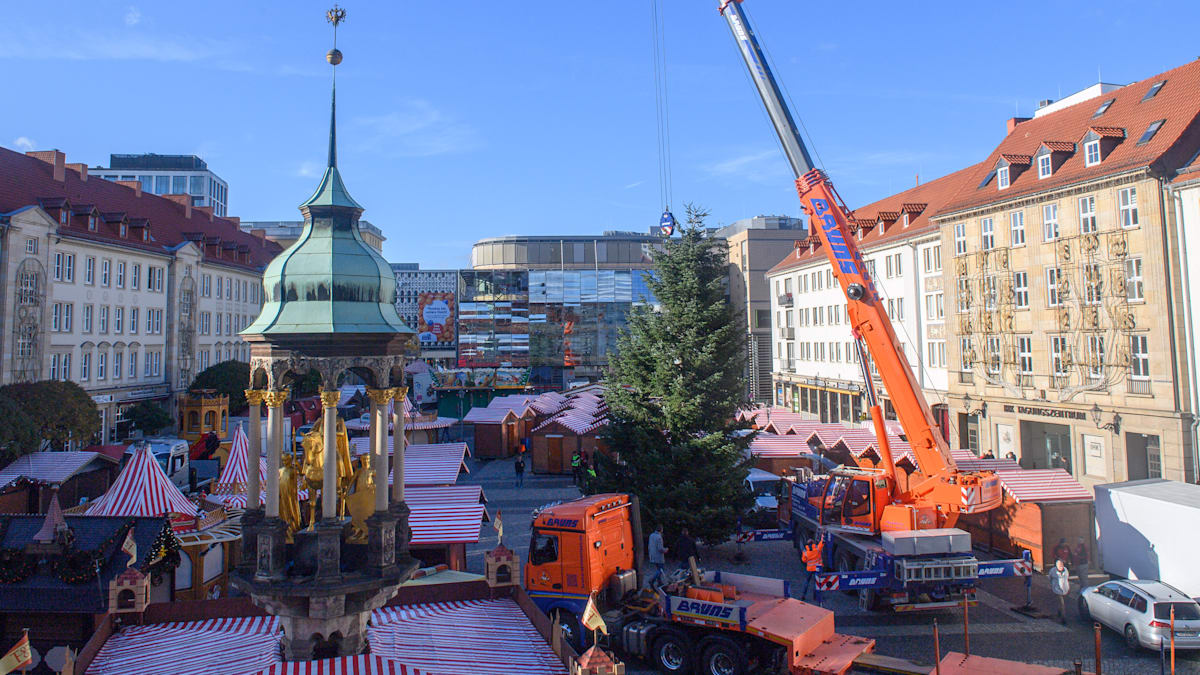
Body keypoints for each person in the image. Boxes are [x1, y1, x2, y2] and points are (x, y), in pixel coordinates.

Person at [799, 538, 825, 602]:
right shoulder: (817, 548)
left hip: (809, 569)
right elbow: (822, 543)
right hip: (817, 569)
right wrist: (822, 536)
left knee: (807, 581)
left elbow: (803, 560)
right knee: (816, 582)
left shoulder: (805, 551)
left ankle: (803, 595)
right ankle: (815, 596)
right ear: (813, 543)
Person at [1049, 558, 1071, 623]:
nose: (1061, 566)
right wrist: (1053, 585)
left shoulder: (1065, 570)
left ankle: (1059, 611)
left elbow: (1067, 579)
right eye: (1059, 565)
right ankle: (1063, 618)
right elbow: (1050, 578)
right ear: (1057, 566)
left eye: (1062, 565)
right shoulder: (1053, 571)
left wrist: (1068, 588)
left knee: (1063, 604)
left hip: (1065, 589)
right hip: (1057, 590)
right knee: (1062, 604)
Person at [647, 524, 668, 588]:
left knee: (658, 568)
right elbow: (660, 548)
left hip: (652, 555)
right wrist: (666, 550)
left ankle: (659, 582)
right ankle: (652, 579)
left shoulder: (651, 535)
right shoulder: (659, 537)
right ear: (661, 530)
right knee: (661, 569)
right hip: (658, 556)